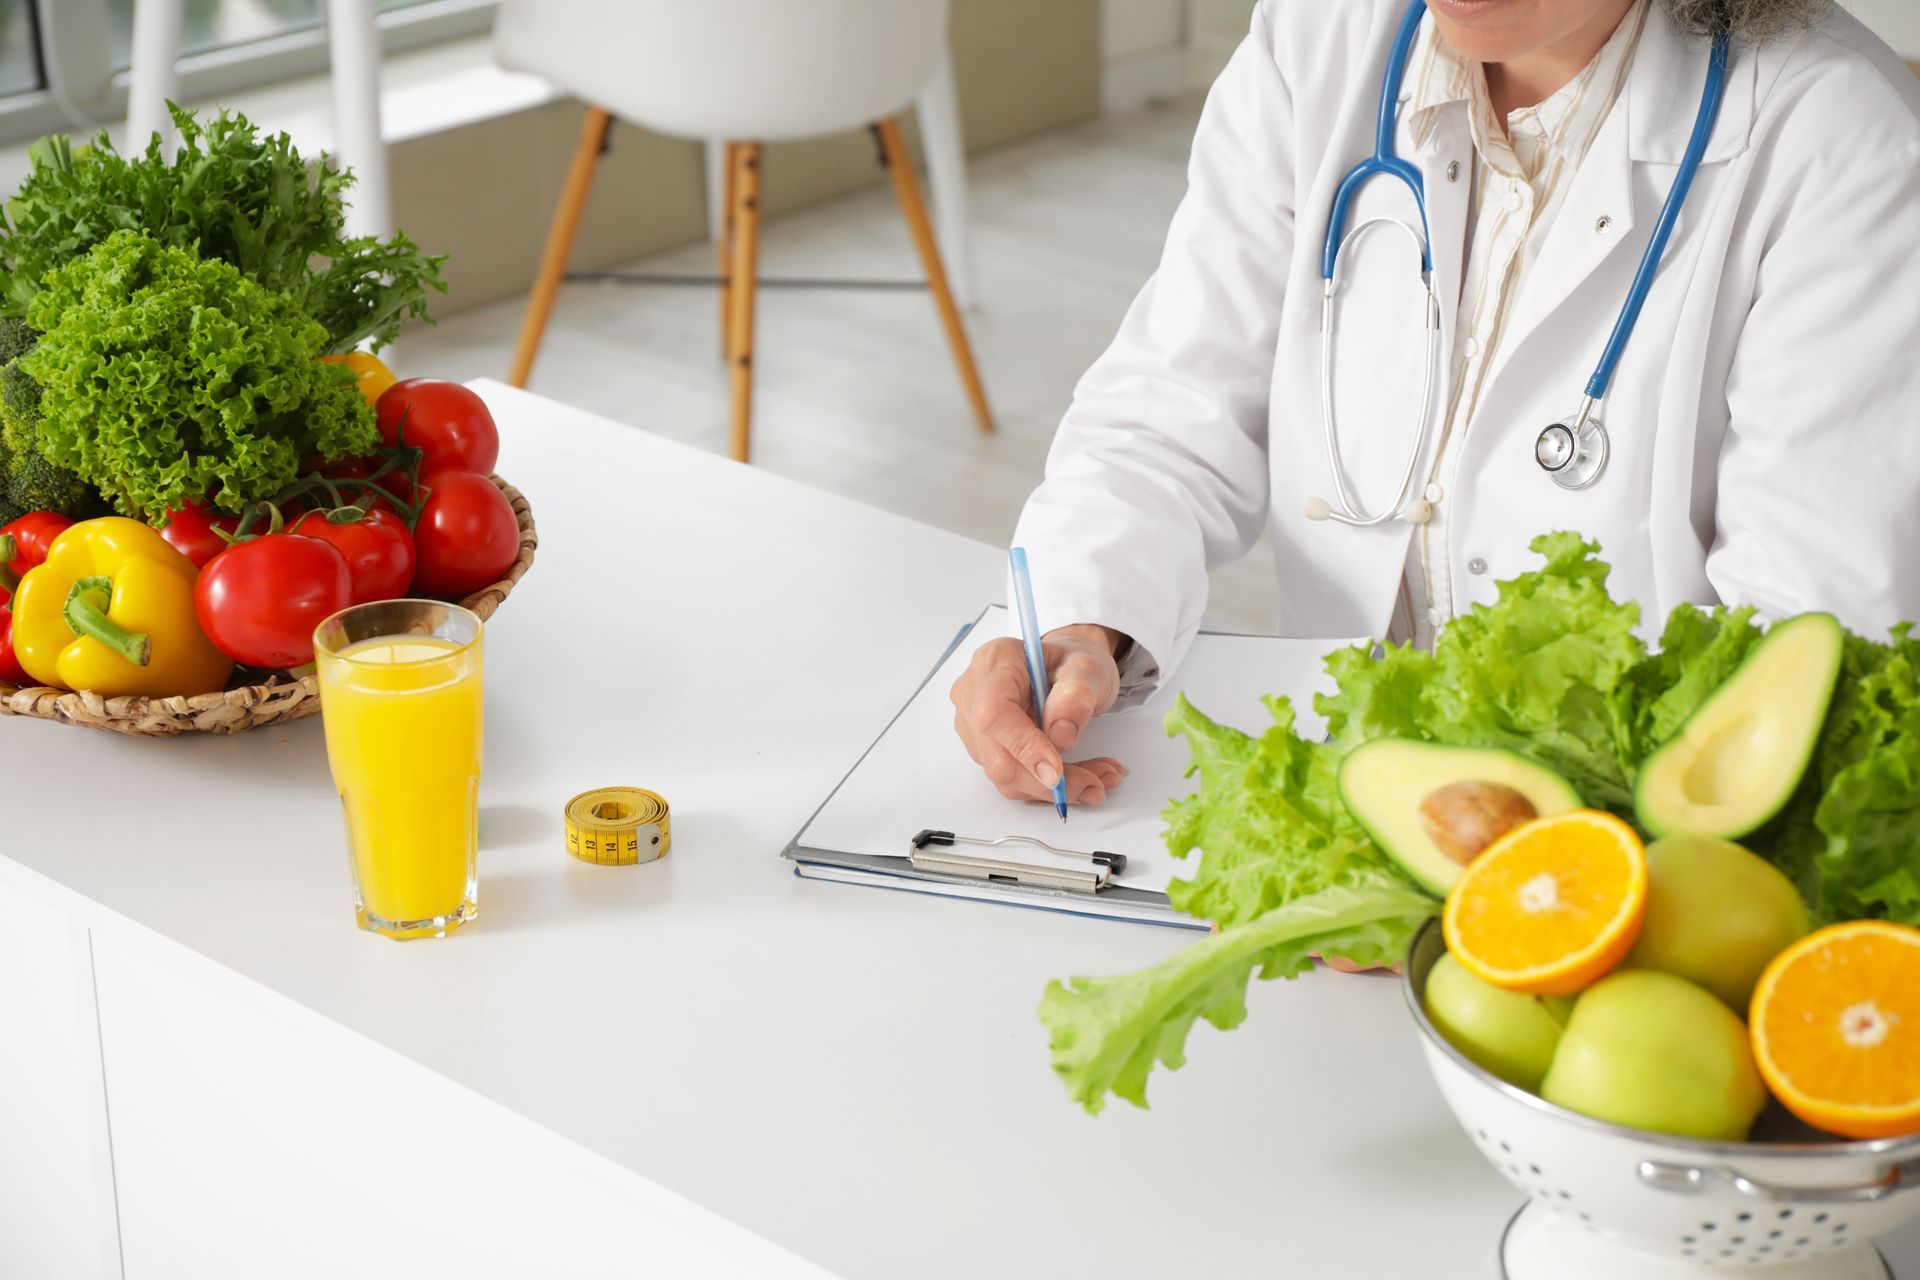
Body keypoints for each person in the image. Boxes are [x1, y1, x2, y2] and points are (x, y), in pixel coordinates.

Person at [951, 0, 1920, 808]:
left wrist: (1511, 852)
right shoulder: (1321, 38)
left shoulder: (1837, 137)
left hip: (1628, 867)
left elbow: (1807, 640)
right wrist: (1082, 621)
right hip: (1344, 810)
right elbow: (1172, 411)